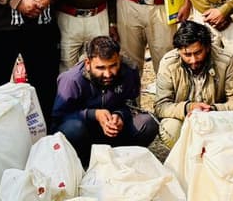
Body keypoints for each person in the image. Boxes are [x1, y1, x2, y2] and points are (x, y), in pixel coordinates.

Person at [52, 35, 159, 165]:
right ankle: (86, 164)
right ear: (88, 64)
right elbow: (58, 118)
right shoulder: (72, 80)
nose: (108, 74)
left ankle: (124, 159)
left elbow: (132, 106)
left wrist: (119, 115)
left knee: (148, 122)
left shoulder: (129, 71)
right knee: (72, 129)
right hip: (85, 137)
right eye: (100, 68)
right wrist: (93, 114)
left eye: (113, 66)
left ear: (119, 59)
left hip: (115, 133)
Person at [152, 20, 233, 147]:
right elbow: (161, 106)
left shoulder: (225, 60)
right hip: (183, 118)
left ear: (207, 47)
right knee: (171, 129)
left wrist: (212, 110)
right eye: (187, 54)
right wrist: (188, 108)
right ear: (179, 51)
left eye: (197, 53)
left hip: (216, 118)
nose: (193, 60)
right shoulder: (168, 63)